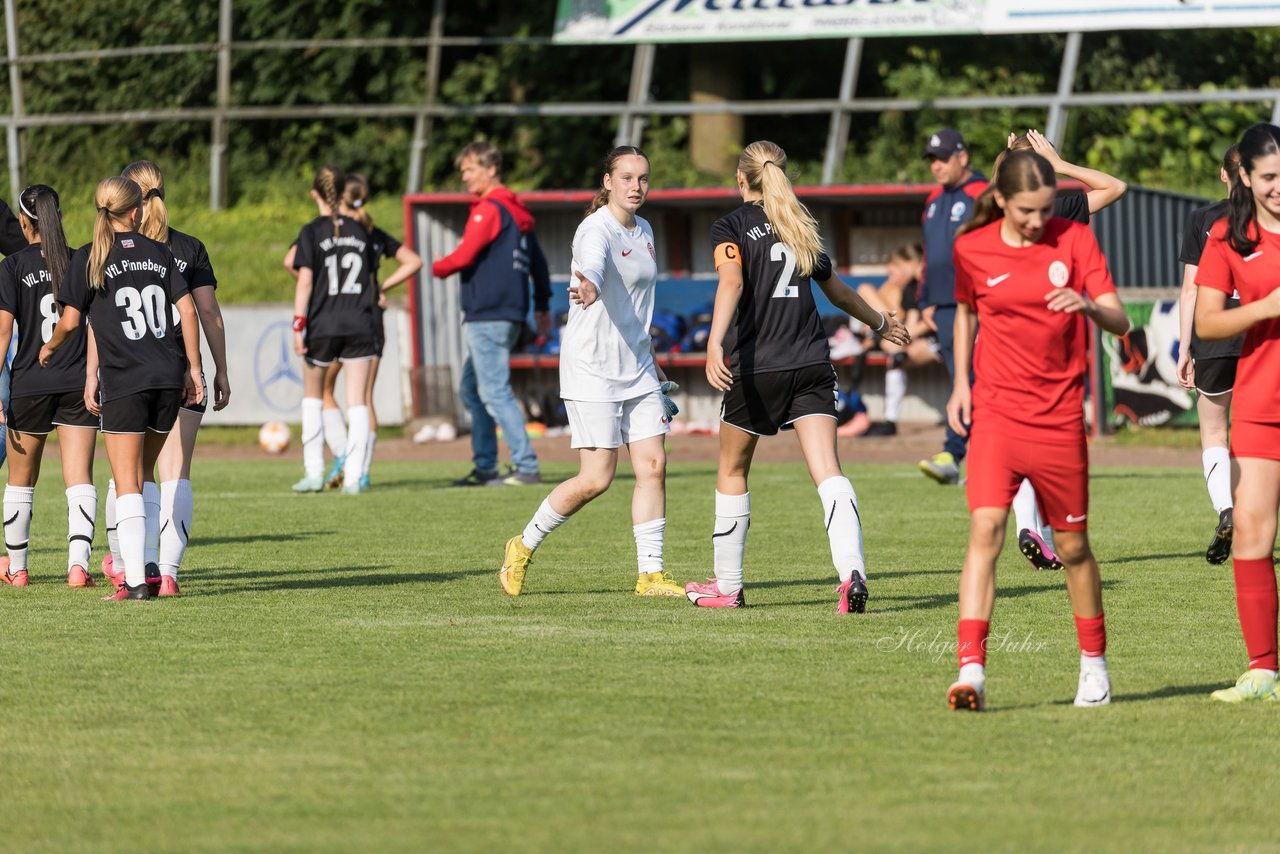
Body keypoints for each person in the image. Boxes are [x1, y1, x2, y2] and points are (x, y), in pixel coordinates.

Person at [682, 140, 909, 612]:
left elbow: (732, 281)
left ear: (741, 179)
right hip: (810, 363)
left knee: (732, 470)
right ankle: (852, 573)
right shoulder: (799, 223)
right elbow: (841, 294)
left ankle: (727, 587)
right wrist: (881, 323)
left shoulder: (731, 225)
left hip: (758, 366)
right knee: (828, 471)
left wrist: (713, 341)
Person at [943, 150, 1130, 711]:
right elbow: (965, 313)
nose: (1037, 220)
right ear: (1001, 200)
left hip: (1058, 419)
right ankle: (970, 671)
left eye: (1045, 208)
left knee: (1073, 549)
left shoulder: (1074, 240)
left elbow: (1119, 319)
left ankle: (1094, 668)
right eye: (1027, 210)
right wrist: (960, 385)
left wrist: (1088, 307)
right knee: (986, 534)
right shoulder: (971, 248)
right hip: (997, 416)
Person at [500, 146, 684, 598]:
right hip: (592, 368)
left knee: (654, 466)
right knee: (596, 478)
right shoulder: (593, 229)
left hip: (638, 367)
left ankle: (651, 575)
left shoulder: (644, 230)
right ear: (607, 182)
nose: (635, 186)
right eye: (625, 178)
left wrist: (653, 364)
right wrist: (588, 286)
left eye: (642, 178)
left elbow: (636, 308)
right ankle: (522, 546)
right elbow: (594, 268)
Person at [43, 176, 204, 601]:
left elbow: (72, 321)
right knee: (145, 475)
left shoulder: (89, 258)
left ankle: (135, 583)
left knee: (126, 481)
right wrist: (194, 369)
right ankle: (150, 569)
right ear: (136, 212)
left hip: (127, 380)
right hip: (167, 378)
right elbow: (188, 312)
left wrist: (51, 346)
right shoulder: (160, 252)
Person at [993, 131, 1130, 572]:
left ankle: (1036, 533)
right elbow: (1115, 186)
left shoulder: (998, 210)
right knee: (1044, 442)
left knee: (1024, 440)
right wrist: (1061, 163)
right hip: (1046, 340)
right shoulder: (1057, 210)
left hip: (1007, 337)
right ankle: (1035, 530)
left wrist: (1015, 156)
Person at [95, 161, 230, 596]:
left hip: (136, 371)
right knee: (177, 473)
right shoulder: (187, 247)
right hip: (184, 373)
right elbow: (207, 312)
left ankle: (129, 565)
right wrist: (217, 368)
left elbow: (97, 319)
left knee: (128, 475)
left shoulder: (111, 249)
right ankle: (166, 573)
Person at [1193, 122, 1280, 703]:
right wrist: (1264, 307)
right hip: (1262, 399)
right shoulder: (1227, 235)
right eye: (1269, 177)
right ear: (1244, 176)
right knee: (1250, 531)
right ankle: (1263, 673)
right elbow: (1206, 324)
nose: (1279, 188)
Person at [431, 141, 551, 487]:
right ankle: (485, 467)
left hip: (488, 314)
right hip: (509, 313)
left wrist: (438, 266)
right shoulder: (519, 213)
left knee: (493, 390)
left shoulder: (489, 209)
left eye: (470, 170)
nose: (465, 177)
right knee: (472, 389)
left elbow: (465, 255)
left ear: (491, 168)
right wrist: (541, 304)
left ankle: (526, 466)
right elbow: (539, 265)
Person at [0, 185, 97, 588]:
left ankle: (18, 570)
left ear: (23, 222)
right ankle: (78, 568)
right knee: (80, 478)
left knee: (20, 480)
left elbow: (2, 334)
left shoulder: (12, 266)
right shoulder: (81, 261)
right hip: (76, 382)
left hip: (29, 384)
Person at [290, 165, 377, 496]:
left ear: (315, 193)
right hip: (359, 323)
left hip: (323, 324)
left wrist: (298, 325)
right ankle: (354, 478)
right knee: (357, 403)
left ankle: (314, 473)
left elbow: (306, 282)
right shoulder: (360, 229)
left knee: (313, 397)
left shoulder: (311, 231)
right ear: (342, 194)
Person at [333, 173, 422, 491]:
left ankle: (345, 461)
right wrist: (381, 286)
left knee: (331, 392)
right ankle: (360, 467)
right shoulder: (371, 232)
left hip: (333, 319)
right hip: (368, 318)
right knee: (363, 397)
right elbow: (413, 261)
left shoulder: (334, 231)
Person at [1176, 145, 1242, 566]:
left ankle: (1227, 510)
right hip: (1263, 334)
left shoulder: (1203, 219)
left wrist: (1185, 347)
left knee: (1215, 433)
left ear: (1224, 174)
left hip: (1216, 335)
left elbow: (1191, 290)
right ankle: (1252, 510)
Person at [916, 128, 988, 486]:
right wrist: (924, 299)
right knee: (959, 379)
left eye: (942, 158)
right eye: (932, 160)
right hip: (943, 307)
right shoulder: (932, 200)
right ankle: (964, 452)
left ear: (963, 156)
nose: (936, 166)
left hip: (977, 306)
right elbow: (931, 256)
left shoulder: (983, 193)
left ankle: (954, 452)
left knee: (974, 377)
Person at [855, 242, 936, 437]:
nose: (893, 276)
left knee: (866, 290)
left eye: (896, 268)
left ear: (910, 263)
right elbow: (917, 320)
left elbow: (932, 321)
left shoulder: (931, 279)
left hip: (944, 338)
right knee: (896, 358)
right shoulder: (910, 289)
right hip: (922, 339)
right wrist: (903, 334)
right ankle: (890, 422)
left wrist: (903, 333)